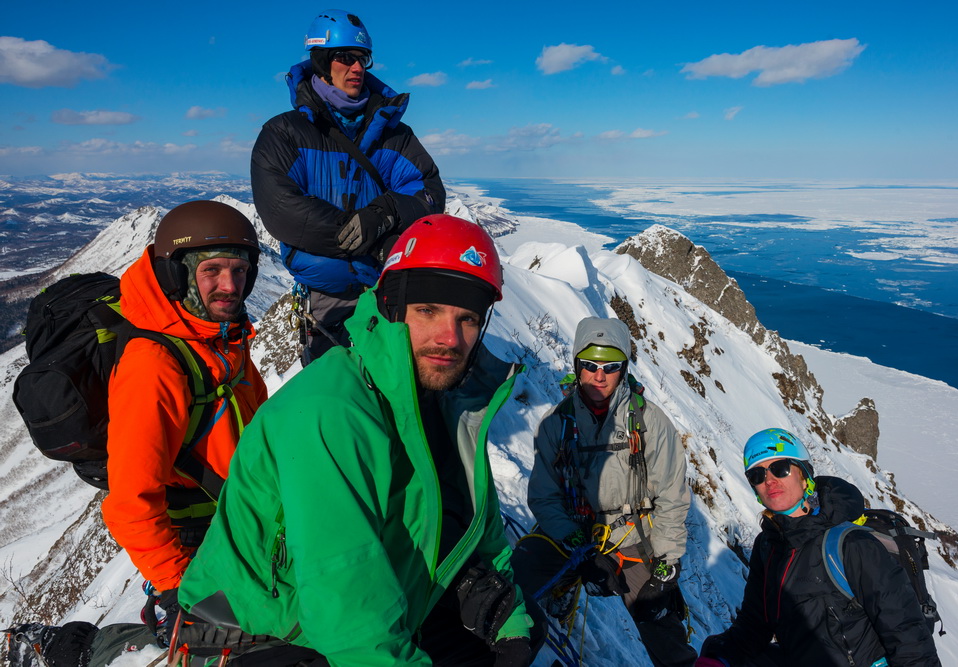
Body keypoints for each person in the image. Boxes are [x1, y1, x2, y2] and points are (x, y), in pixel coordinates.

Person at [176, 214, 545, 666]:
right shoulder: (330, 412)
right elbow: (347, 604)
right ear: (392, 307)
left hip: (346, 610)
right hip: (260, 630)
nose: (449, 338)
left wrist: (506, 621)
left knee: (520, 637)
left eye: (467, 318)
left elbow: (480, 528)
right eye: (428, 310)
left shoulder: (445, 400)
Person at [5, 201, 271, 667]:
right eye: (212, 270)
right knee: (218, 651)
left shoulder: (221, 337)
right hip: (195, 542)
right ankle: (71, 651)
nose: (230, 285)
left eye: (240, 270)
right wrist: (177, 587)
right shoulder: (155, 366)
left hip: (238, 523)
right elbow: (130, 503)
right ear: (176, 274)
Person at [252, 8, 445, 364]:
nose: (358, 68)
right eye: (345, 58)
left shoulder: (394, 134)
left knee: (395, 395)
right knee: (334, 400)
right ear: (321, 62)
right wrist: (369, 240)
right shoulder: (284, 134)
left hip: (388, 292)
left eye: (362, 58)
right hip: (328, 299)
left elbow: (429, 194)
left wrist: (387, 213)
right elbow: (282, 209)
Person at [511, 317, 697, 667]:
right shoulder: (557, 423)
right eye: (590, 365)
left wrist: (667, 562)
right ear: (577, 366)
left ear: (624, 368)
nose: (599, 375)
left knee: (657, 613)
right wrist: (573, 538)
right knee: (518, 581)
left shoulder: (649, 422)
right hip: (573, 532)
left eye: (610, 366)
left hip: (631, 536)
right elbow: (544, 496)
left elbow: (672, 495)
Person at [695, 428, 941, 667]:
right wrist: (719, 657)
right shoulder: (768, 546)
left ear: (804, 475)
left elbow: (908, 637)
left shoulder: (851, 545)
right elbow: (755, 624)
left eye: (780, 468)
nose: (769, 480)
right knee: (715, 651)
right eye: (757, 475)